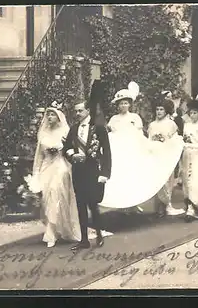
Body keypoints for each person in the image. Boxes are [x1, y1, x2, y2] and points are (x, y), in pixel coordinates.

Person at [99, 82, 184, 212]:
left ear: (129, 104)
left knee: (134, 175)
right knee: (121, 175)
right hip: (119, 151)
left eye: (126, 103)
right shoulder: (114, 119)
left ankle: (133, 204)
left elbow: (139, 135)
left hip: (133, 150)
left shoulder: (135, 117)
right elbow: (112, 135)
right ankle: (124, 205)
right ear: (118, 105)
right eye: (121, 103)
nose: (124, 106)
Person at [63, 99, 112, 250]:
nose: (77, 114)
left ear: (88, 111)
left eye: (80, 111)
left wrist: (105, 173)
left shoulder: (99, 128)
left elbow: (107, 153)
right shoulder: (73, 128)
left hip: (93, 171)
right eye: (76, 111)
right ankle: (84, 240)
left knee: (93, 204)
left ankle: (98, 234)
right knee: (80, 206)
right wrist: (72, 155)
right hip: (78, 171)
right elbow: (66, 148)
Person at [32, 103, 81, 248]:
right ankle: (58, 229)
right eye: (48, 115)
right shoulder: (43, 133)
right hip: (47, 167)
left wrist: (62, 150)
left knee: (57, 193)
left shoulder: (65, 130)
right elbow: (39, 155)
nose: (50, 117)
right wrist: (36, 172)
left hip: (60, 165)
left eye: (53, 114)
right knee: (47, 199)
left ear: (59, 117)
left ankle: (51, 233)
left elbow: (71, 148)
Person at [147, 98, 185, 217]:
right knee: (158, 181)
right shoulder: (152, 125)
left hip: (166, 154)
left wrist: (165, 142)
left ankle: (167, 205)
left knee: (167, 181)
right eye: (157, 109)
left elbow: (174, 140)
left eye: (161, 110)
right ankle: (159, 207)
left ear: (166, 111)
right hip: (156, 155)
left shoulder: (171, 124)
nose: (159, 112)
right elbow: (149, 140)